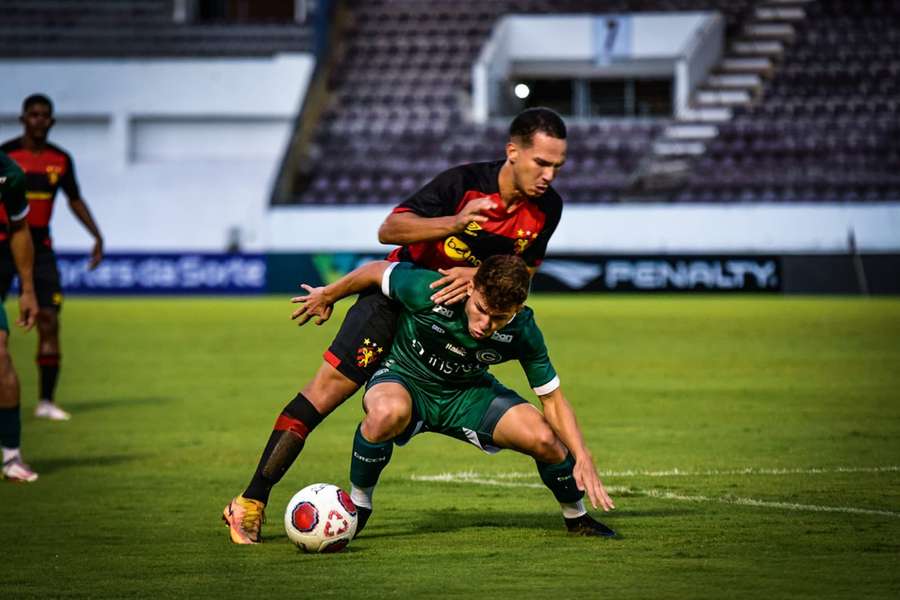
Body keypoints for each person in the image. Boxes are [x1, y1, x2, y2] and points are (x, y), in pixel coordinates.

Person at [224, 107, 568, 544]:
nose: (549, 175)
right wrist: (454, 223)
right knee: (323, 395)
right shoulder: (461, 185)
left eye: (558, 165)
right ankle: (250, 502)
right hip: (396, 301)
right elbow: (389, 230)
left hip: (457, 318)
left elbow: (524, 273)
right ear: (512, 152)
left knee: (415, 405)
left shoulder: (547, 209)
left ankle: (364, 491)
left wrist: (479, 276)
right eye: (542, 162)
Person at [292, 255, 616, 537]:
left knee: (546, 440)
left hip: (468, 394)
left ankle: (577, 518)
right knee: (385, 413)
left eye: (499, 318)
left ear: (517, 309)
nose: (485, 325)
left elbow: (553, 400)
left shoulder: (524, 330)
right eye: (481, 310)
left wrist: (582, 454)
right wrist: (328, 294)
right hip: (405, 378)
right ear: (471, 287)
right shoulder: (430, 289)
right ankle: (360, 506)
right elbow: (377, 271)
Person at [0, 93, 104, 422]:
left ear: (52, 121)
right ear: (23, 119)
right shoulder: (6, 156)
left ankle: (45, 401)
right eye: (33, 114)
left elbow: (75, 199)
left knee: (49, 321)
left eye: (45, 115)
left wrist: (96, 235)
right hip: (4, 242)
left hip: (41, 248)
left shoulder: (61, 160)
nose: (39, 120)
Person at [0, 151, 40, 482]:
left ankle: (11, 456)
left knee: (1, 357)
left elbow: (19, 229)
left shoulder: (8, 173)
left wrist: (27, 289)